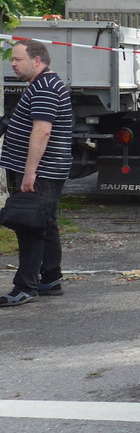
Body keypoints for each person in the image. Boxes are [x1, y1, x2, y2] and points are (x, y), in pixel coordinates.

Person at [0, 39, 73, 307]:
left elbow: (42, 131)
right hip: (47, 168)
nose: (13, 63)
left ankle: (25, 287)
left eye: (18, 59)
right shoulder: (43, 85)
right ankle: (50, 278)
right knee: (45, 220)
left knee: (29, 225)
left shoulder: (45, 87)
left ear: (37, 60)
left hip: (41, 170)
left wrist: (30, 172)